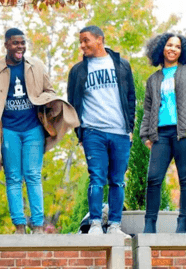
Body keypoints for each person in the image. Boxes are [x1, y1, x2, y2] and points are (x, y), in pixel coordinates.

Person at [0, 28, 79, 234]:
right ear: (6, 44)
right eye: (16, 43)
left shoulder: (36, 66)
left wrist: (49, 105)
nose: (20, 47)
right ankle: (19, 225)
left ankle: (37, 225)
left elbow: (49, 90)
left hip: (32, 129)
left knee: (33, 175)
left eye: (23, 43)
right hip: (8, 130)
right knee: (13, 177)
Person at [67, 25, 136, 236]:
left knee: (117, 180)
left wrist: (130, 128)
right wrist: (80, 133)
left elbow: (131, 98)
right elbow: (73, 103)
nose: (82, 45)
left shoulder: (122, 66)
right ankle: (95, 223)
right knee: (96, 177)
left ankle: (114, 225)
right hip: (93, 132)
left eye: (86, 40)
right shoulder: (77, 71)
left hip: (120, 132)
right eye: (80, 41)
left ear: (100, 40)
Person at [140, 33, 186, 233]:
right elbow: (148, 109)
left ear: (183, 51)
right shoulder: (153, 79)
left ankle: (182, 224)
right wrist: (145, 135)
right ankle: (149, 225)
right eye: (169, 45)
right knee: (153, 178)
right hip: (160, 134)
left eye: (177, 46)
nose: (173, 49)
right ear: (161, 48)